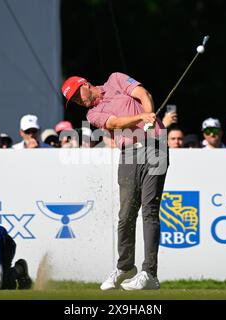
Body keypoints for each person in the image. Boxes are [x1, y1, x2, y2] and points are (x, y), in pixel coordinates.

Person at [61, 72, 168, 291]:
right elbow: (115, 123)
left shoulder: (115, 79)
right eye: (74, 102)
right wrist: (141, 118)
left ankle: (150, 274)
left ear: (85, 84)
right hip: (128, 154)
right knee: (126, 213)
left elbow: (143, 93)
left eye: (77, 95)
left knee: (149, 210)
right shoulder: (93, 114)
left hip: (155, 147)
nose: (79, 101)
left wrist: (148, 114)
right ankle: (125, 267)